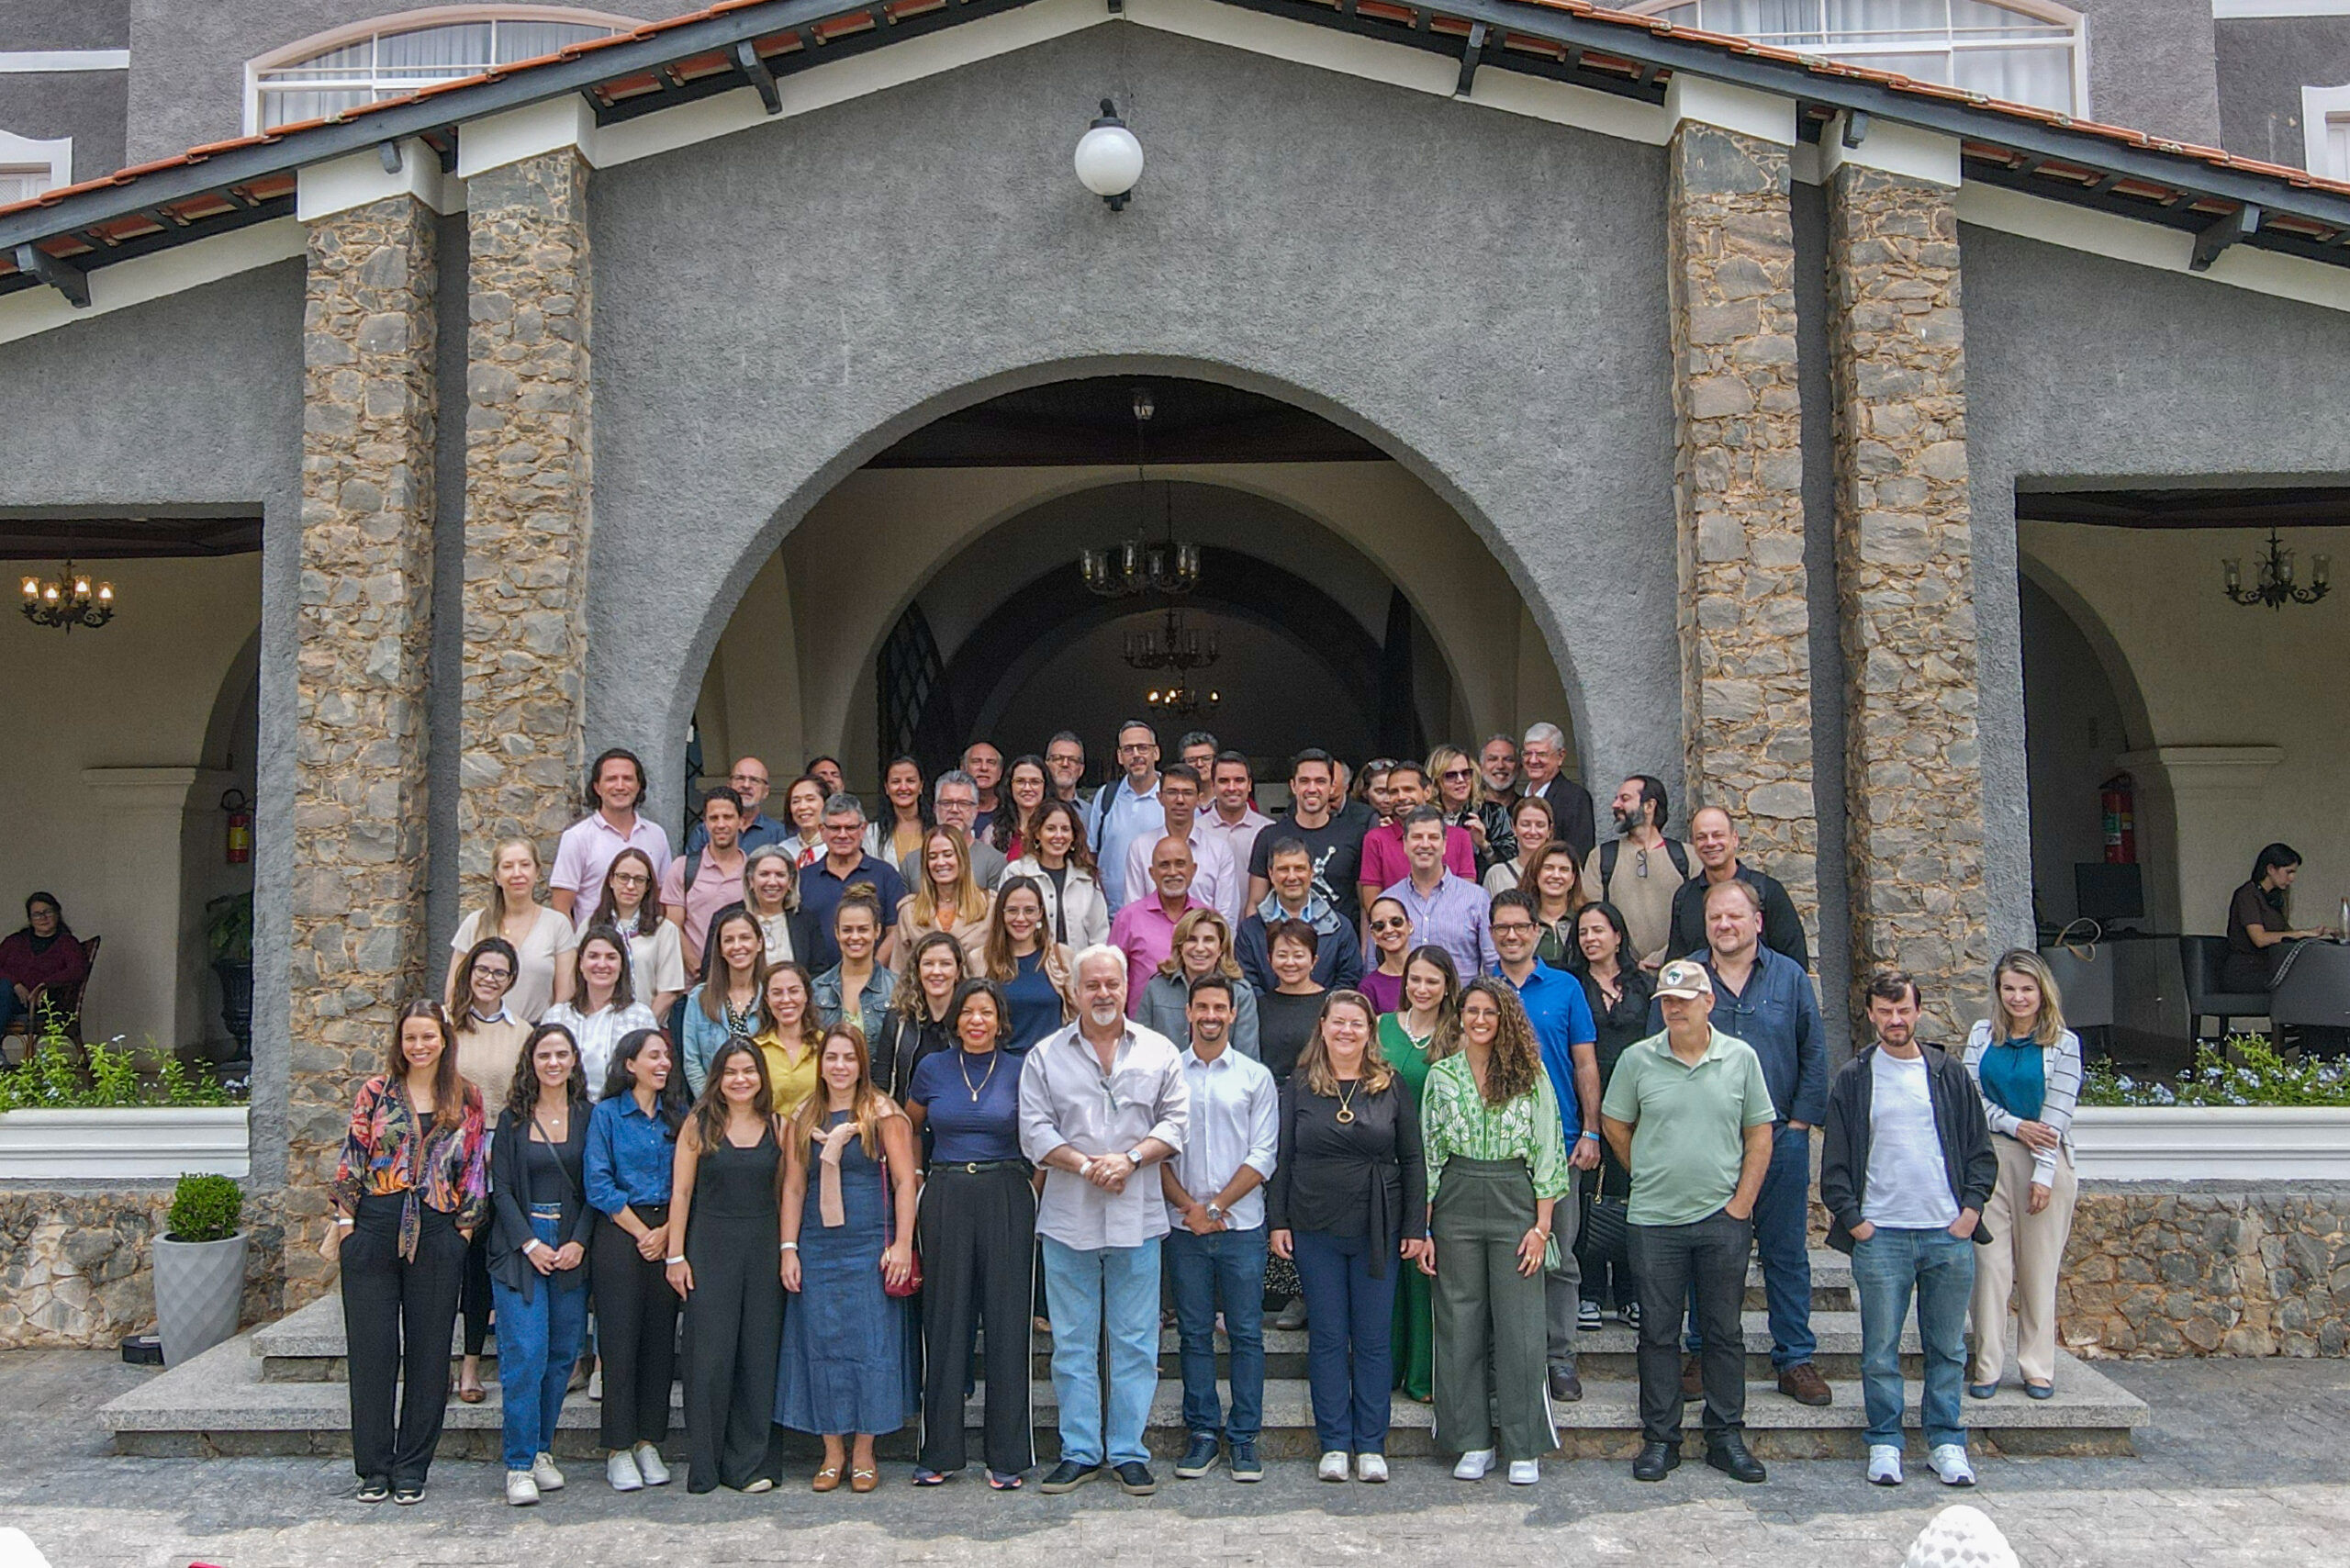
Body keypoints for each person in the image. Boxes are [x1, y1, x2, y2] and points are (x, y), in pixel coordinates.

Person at [1650, 878, 1830, 1406]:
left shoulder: (1789, 977)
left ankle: (1794, 1358)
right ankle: (1704, 1353)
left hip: (1778, 1139)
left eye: (1734, 916)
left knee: (1785, 1252)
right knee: (1704, 1254)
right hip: (1705, 1145)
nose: (1724, 925)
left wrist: (1799, 1125)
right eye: (1715, 918)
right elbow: (1656, 1051)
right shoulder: (1685, 977)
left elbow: (1814, 1051)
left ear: (1757, 922)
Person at [1020, 945, 1189, 1496]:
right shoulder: (1045, 1056)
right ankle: (1080, 1450)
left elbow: (1177, 1123)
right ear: (1074, 991)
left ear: (1126, 987)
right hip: (1068, 1216)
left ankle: (1128, 1451)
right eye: (1091, 984)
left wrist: (1131, 1159)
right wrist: (1085, 1165)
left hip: (1137, 1216)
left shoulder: (1159, 1051)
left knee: (1135, 1341)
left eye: (1112, 983)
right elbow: (1034, 1130)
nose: (1103, 993)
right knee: (1072, 1343)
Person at [1602, 960, 1775, 1486]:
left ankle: (1726, 1436)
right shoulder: (1637, 1059)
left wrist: (1741, 1205)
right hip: (1654, 1220)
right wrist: (1646, 1170)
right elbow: (1614, 1122)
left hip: (1722, 1218)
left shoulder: (1740, 1058)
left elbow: (1759, 1136)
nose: (1674, 1009)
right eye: (1667, 1002)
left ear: (1708, 1002)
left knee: (1723, 1333)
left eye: (1684, 1000)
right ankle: (1661, 1439)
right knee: (1657, 1334)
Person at [1821, 969, 1997, 1490]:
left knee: (1948, 1349)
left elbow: (1980, 1151)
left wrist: (1970, 1212)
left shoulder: (1948, 1075)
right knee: (1880, 1350)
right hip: (1882, 1238)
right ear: (1871, 1015)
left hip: (1947, 1233)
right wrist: (1855, 1222)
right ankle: (1884, 1441)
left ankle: (1946, 1442)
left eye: (1903, 1010)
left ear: (1918, 1012)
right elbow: (1834, 1164)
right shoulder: (1855, 1079)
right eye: (1885, 1011)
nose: (1895, 1020)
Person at [323, 1000, 488, 1506]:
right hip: (374, 1226)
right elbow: (353, 1156)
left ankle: (413, 1466)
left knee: (430, 1353)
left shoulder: (466, 1096)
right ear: (400, 1042)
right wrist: (347, 1225)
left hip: (437, 1231)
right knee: (372, 1353)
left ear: (444, 1040)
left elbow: (474, 1169)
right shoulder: (375, 1092)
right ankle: (374, 1468)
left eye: (428, 1036)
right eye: (410, 1037)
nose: (419, 1045)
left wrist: (463, 1234)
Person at [1268, 990, 1427, 1484]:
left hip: (1378, 1227)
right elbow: (1283, 1156)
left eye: (1357, 1023)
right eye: (1338, 1022)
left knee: (1374, 1339)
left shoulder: (1389, 1084)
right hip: (1314, 1226)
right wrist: (1278, 1221)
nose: (1346, 1031)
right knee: (1328, 1337)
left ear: (1369, 1031)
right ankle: (1335, 1443)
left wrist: (1414, 1226)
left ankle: (1372, 1444)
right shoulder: (1300, 1085)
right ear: (1323, 1026)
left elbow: (1413, 1158)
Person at [1421, 979, 1571, 1484]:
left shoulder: (1530, 1074)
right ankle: (1472, 1440)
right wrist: (1425, 1228)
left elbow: (1548, 1148)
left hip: (1514, 1199)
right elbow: (1429, 1152)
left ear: (1506, 1018)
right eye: (1472, 1011)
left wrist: (1542, 1227)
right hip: (1456, 1199)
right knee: (1458, 1321)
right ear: (1460, 1016)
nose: (1480, 1020)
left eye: (1490, 1012)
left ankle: (1524, 1444)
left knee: (1520, 1325)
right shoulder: (1441, 1076)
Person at [776, 1024, 920, 1494]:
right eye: (832, 1058)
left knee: (871, 1345)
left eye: (849, 1058)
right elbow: (794, 1186)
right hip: (818, 1246)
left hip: (869, 1245)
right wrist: (789, 1248)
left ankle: (863, 1452)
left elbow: (904, 1182)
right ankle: (831, 1451)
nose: (840, 1066)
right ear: (821, 1065)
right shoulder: (804, 1116)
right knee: (819, 1345)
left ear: (862, 1064)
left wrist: (902, 1244)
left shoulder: (883, 1113)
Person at [906, 979, 1036, 1488]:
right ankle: (938, 1449)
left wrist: (1031, 1187)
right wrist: (918, 1178)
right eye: (967, 1013)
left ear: (1000, 1020)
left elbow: (1041, 1132)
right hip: (946, 1194)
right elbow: (910, 1126)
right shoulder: (932, 1068)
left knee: (1007, 1322)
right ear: (955, 1020)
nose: (976, 1021)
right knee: (945, 1319)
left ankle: (1007, 1456)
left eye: (986, 1012)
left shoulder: (1022, 1069)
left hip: (1006, 1191)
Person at [1161, 972, 1280, 1484]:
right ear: (1189, 1013)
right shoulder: (1167, 1074)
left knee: (1247, 1333)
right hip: (1183, 1226)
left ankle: (1245, 1436)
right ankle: (1204, 1433)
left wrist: (1215, 1208)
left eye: (1219, 1008)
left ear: (1233, 1014)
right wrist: (1191, 1208)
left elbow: (1264, 1153)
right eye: (1202, 1007)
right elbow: (1157, 1149)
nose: (1210, 1016)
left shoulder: (1255, 1077)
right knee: (1193, 1333)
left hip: (1241, 1226)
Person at [1489, 888, 1602, 1404]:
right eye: (1502, 928)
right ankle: (1504, 1357)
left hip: (1559, 1142)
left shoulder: (1566, 987)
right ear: (1492, 935)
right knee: (1501, 1256)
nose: (1512, 935)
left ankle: (1559, 1357)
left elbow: (1584, 1062)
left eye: (1520, 926)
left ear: (1537, 931)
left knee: (1559, 1254)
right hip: (1496, 1146)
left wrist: (1591, 1130)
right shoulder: (1482, 991)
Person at [1964, 948, 2084, 1401]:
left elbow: (2057, 1113)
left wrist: (2044, 1174)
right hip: (1990, 1157)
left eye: (2027, 989)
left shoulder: (2064, 1044)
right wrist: (2013, 1124)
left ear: (2042, 992)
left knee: (2038, 1269)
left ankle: (2037, 1367)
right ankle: (1987, 1366)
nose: (2018, 997)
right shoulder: (1981, 1036)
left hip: (2044, 1161)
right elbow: (1971, 1097)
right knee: (1989, 1268)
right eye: (2009, 988)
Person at [666, 1039, 786, 1495]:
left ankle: (749, 1465)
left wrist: (787, 1249)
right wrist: (675, 1255)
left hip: (763, 1247)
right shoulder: (699, 1124)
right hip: (710, 1246)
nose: (741, 1080)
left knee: (758, 1355)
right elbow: (681, 1193)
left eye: (749, 1071)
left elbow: (786, 1193)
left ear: (761, 1077)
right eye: (731, 1072)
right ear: (717, 1078)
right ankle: (706, 1464)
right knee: (709, 1357)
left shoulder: (778, 1126)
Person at [488, 1023, 596, 1506]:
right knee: (525, 1356)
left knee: (561, 1355)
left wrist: (579, 1242)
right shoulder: (512, 1120)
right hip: (521, 1248)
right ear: (531, 1062)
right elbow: (502, 1191)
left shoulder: (590, 1117)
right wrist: (530, 1243)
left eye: (561, 1054)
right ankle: (517, 1464)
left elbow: (598, 1184)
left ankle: (541, 1451)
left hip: (571, 1246)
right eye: (544, 1055)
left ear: (574, 1061)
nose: (553, 1063)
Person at [584, 1028, 685, 1493]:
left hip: (669, 1230)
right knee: (620, 1341)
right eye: (653, 1056)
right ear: (630, 1064)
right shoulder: (606, 1115)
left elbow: (688, 1181)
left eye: (666, 1056)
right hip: (621, 1230)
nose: (663, 1064)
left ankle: (648, 1441)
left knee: (659, 1342)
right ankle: (618, 1447)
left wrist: (666, 1233)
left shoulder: (678, 1115)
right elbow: (598, 1183)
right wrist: (644, 1233)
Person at [1379, 946, 1460, 1404]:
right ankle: (1387, 1366)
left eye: (1432, 981)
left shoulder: (1459, 1035)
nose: (1422, 989)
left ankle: (1424, 1375)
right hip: (1385, 1164)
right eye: (1415, 979)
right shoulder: (1381, 1028)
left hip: (1438, 1165)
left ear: (1447, 986)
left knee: (1426, 1269)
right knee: (1390, 1265)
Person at [452, 950, 534, 1395]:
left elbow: (524, 1096)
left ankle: (471, 1367)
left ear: (511, 979)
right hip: (448, 1154)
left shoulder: (521, 1032)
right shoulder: (446, 1024)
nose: (490, 978)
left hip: (499, 1152)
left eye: (500, 972)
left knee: (482, 1261)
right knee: (448, 1260)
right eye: (483, 969)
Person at [1572, 902, 1653, 1328]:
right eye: (1583, 932)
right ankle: (1589, 1292)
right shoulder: (1572, 984)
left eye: (1598, 930)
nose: (1590, 939)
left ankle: (1629, 1293)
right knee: (1590, 1195)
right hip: (1586, 1102)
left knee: (1632, 1194)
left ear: (1618, 936)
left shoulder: (1644, 986)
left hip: (1637, 1106)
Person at [447, 838, 577, 1025]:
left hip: (536, 1032)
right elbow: (454, 992)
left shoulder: (557, 925)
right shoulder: (475, 924)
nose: (517, 873)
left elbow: (565, 996)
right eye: (508, 866)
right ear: (497, 876)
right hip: (480, 1031)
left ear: (537, 872)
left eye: (525, 865)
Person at [1668, 807, 1810, 969]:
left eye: (1718, 835)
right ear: (1693, 844)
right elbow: (1676, 966)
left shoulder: (1767, 892)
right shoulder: (1685, 897)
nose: (1710, 842)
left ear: (1734, 838)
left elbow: (1795, 965)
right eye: (1701, 837)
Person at [1246, 748, 1370, 924]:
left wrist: (1364, 942)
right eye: (1304, 781)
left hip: (1338, 938)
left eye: (1320, 781)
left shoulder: (1355, 836)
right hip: (1282, 937)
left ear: (1332, 786)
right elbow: (1255, 903)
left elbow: (1365, 906)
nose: (1312, 789)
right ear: (1293, 786)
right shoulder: (1269, 836)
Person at [1583, 776, 1694, 970]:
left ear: (1649, 806)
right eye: (1616, 798)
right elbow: (1592, 919)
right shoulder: (1600, 858)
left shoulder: (1688, 857)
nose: (1615, 805)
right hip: (1621, 974)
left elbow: (1698, 917)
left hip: (1678, 970)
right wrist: (1628, 962)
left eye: (1625, 799)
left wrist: (1663, 956)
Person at [552, 748, 671, 925]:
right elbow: (561, 908)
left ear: (639, 786)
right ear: (597, 787)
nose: (620, 786)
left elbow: (663, 899)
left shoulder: (656, 835)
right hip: (595, 940)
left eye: (628, 779)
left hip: (647, 939)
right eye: (611, 779)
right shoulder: (577, 837)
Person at [539, 926, 660, 1097]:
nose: (602, 964)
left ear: (622, 965)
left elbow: (649, 1073)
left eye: (611, 957)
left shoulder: (640, 1016)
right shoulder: (557, 1016)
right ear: (581, 963)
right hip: (569, 1108)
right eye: (593, 956)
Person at [1380, 807, 1496, 984]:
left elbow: (1492, 963)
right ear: (1405, 843)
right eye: (1417, 837)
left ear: (1444, 844)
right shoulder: (1389, 901)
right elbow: (1375, 967)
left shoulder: (1476, 898)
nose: (1425, 844)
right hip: (1403, 1000)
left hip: (1461, 1000)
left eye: (1433, 837)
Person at [1237, 836, 1364, 995]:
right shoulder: (1250, 930)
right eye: (1283, 869)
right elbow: (1247, 984)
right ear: (1271, 874)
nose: (1292, 877)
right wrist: (1271, 1007)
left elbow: (1349, 980)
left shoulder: (1340, 927)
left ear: (1311, 872)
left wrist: (1321, 1008)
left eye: (1299, 868)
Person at [1121, 763, 1243, 925]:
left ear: (1199, 798)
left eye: (1188, 793)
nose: (1180, 800)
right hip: (1150, 940)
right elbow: (1133, 912)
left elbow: (1227, 916)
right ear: (1160, 797)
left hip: (1205, 940)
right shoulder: (1140, 848)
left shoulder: (1219, 850)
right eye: (1172, 792)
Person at [802, 794, 909, 973]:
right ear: (821, 830)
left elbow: (896, 931)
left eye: (850, 827)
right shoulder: (804, 878)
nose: (842, 835)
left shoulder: (886, 874)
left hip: (875, 981)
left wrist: (871, 971)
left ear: (863, 828)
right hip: (815, 981)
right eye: (835, 828)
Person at [1137, 908, 1260, 1060]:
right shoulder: (1156, 989)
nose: (1200, 948)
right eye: (1192, 939)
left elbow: (1247, 1059)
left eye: (1208, 940)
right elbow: (1141, 1051)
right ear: (1180, 946)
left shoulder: (1240, 993)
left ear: (1221, 948)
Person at [1357, 762, 1476, 917]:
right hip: (1396, 928)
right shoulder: (1375, 839)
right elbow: (1372, 903)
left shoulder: (1459, 837)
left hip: (1450, 925)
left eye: (1409, 789)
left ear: (1427, 792)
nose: (1401, 797)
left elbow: (1467, 897)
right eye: (1393, 792)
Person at [1108, 837, 1208, 1009]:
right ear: (1152, 873)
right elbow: (1112, 978)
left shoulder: (1208, 918)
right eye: (1164, 865)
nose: (1172, 872)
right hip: (1143, 1022)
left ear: (1193, 870)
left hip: (1201, 1021)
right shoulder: (1128, 918)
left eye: (1180, 864)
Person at [661, 790, 753, 977]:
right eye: (714, 818)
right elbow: (672, 925)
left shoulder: (754, 871)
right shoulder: (683, 867)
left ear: (741, 821)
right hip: (693, 982)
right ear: (705, 823)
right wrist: (696, 966)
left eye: (728, 817)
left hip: (742, 978)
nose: (721, 824)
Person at [1000, 797, 1110, 951]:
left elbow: (1099, 936)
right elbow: (1002, 926)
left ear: (1073, 835)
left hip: (1078, 964)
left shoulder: (1086, 877)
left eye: (1065, 829)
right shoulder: (1017, 872)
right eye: (1050, 829)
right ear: (1037, 833)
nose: (1059, 836)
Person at [678, 906, 767, 1096]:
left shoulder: (771, 995)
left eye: (745, 938)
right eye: (728, 940)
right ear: (719, 948)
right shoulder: (699, 998)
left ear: (759, 943)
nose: (737, 946)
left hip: (764, 1104)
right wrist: (712, 1105)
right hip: (713, 1104)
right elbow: (692, 1062)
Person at [2223, 841, 2335, 991]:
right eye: (2288, 872)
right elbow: (2260, 939)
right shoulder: (2247, 895)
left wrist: (2319, 933)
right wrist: (2303, 933)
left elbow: (2283, 934)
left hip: (2270, 967)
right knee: (2301, 985)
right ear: (2270, 869)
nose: (2292, 878)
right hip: (2246, 972)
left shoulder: (2276, 897)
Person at [983, 876, 1075, 1053]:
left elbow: (1076, 1016)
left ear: (1040, 913)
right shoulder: (981, 960)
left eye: (1029, 910)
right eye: (1012, 910)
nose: (1021, 918)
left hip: (1051, 1063)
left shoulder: (1061, 957)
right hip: (999, 1064)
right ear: (1001, 913)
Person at [591, 848, 687, 1020]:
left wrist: (643, 1026)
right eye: (623, 877)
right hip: (596, 1024)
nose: (630, 886)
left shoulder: (664, 930)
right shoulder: (590, 926)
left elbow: (668, 992)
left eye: (639, 880)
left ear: (648, 886)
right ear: (611, 880)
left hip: (647, 1026)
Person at [873, 933, 966, 1099]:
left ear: (958, 971)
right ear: (917, 970)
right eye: (928, 964)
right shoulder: (898, 1019)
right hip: (903, 1112)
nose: (936, 972)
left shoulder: (970, 1021)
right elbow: (881, 1082)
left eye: (945, 964)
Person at [897, 824, 994, 968]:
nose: (940, 862)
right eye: (932, 857)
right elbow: (899, 970)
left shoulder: (990, 906)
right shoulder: (909, 910)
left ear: (962, 858)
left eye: (948, 855)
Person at [1254, 919, 1330, 1087]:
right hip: (1269, 1093)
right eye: (1282, 955)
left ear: (1314, 960)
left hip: (1317, 1090)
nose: (1290, 962)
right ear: (1270, 959)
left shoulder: (1330, 1005)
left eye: (1298, 955)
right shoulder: (1260, 1006)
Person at [0, 892, 86, 1036]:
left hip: (41, 1004)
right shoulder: (14, 941)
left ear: (57, 914)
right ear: (30, 919)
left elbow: (77, 970)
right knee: (3, 986)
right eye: (37, 914)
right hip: (9, 998)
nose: (43, 918)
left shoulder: (67, 943)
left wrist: (45, 984)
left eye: (48, 912)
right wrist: (15, 984)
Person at [814, 895, 897, 1043]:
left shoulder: (897, 988)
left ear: (877, 931)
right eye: (847, 930)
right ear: (837, 932)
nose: (855, 937)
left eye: (863, 929)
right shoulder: (817, 989)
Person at [912, 771, 1010, 890]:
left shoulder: (994, 862)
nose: (954, 810)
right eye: (947, 803)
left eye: (963, 804)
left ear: (976, 810)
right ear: (935, 808)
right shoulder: (912, 862)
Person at [751, 962, 824, 1118]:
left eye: (794, 991)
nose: (786, 999)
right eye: (777, 993)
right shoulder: (754, 1049)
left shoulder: (825, 1045)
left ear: (806, 995)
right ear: (767, 999)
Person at [1518, 723, 1596, 866]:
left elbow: (1577, 856)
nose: (1533, 760)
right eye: (1528, 754)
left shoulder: (1575, 799)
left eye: (1541, 754)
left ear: (1560, 756)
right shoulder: (1519, 800)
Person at [739, 844, 821, 972]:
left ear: (790, 882)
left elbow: (818, 971)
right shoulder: (729, 917)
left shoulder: (805, 919)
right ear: (751, 880)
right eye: (764, 874)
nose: (772, 882)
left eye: (780, 875)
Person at [684, 757, 787, 857]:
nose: (746, 785)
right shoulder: (704, 831)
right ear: (729, 785)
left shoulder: (779, 834)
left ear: (766, 792)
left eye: (754, 780)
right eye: (740, 778)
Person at [1202, 751, 1274, 879]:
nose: (1232, 788)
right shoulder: (1196, 831)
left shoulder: (1269, 831)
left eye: (1239, 780)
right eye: (1224, 781)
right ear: (1212, 785)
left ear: (1249, 785)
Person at [1427, 745, 1496, 873]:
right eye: (1451, 775)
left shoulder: (1493, 813)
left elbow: (1507, 868)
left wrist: (1484, 845)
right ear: (1436, 781)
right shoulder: (1424, 817)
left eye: (1466, 773)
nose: (1461, 780)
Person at [1523, 840, 1590, 969]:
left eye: (1564, 870)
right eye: (1548, 868)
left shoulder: (1585, 919)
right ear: (1536, 873)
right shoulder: (1522, 921)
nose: (1556, 875)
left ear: (1573, 878)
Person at [1481, 796, 1555, 896]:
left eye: (1540, 825)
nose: (1532, 831)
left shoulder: (1560, 872)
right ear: (1514, 828)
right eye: (1525, 824)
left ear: (1549, 830)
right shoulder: (1497, 874)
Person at [1358, 895, 1413, 1015]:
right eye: (1379, 926)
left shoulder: (1430, 974)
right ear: (1373, 935)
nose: (1388, 930)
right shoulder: (1369, 987)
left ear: (1410, 925)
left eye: (1396, 922)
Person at [1473, 734, 1522, 868]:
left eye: (1508, 759)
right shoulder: (1469, 811)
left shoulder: (1529, 810)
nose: (1500, 765)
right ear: (1480, 767)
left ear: (1519, 768)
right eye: (1492, 759)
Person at [872, 756, 931, 866]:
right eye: (896, 781)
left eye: (910, 781)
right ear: (886, 788)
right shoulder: (873, 833)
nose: (903, 787)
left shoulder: (936, 828)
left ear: (921, 786)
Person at [991, 755, 1051, 858]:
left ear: (1045, 786)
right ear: (1010, 786)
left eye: (1035, 782)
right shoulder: (993, 832)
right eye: (1020, 781)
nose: (1027, 788)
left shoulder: (1059, 830)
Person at [774, 776, 829, 868]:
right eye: (796, 801)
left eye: (810, 799)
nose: (802, 807)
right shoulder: (783, 850)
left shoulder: (837, 847)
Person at [963, 742, 1007, 837]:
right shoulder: (950, 810)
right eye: (976, 761)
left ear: (1000, 772)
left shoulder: (1011, 811)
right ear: (963, 769)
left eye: (991, 762)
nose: (984, 768)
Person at [1044, 731, 1091, 810]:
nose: (1065, 764)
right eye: (1058, 758)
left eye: (1073, 760)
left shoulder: (1090, 812)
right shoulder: (1033, 808)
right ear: (1046, 765)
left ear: (1081, 769)